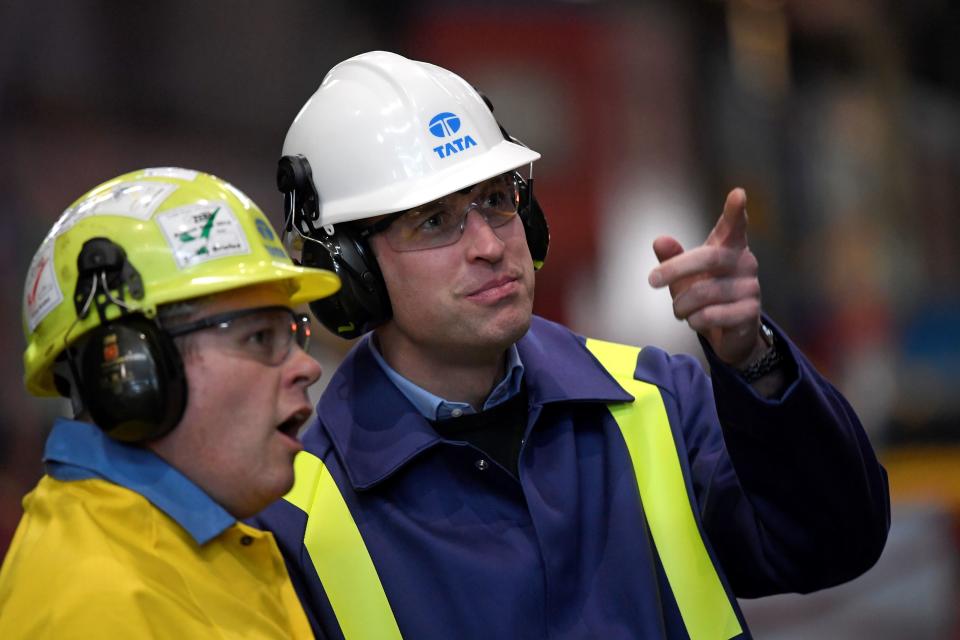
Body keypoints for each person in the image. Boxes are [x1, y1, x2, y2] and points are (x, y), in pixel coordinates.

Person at [255, 51, 890, 639]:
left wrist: (754, 360)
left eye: (498, 201)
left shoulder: (658, 402)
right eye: (435, 220)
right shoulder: (296, 513)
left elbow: (836, 543)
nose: (489, 244)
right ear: (349, 273)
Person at [0, 168, 341, 638]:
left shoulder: (194, 543)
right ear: (132, 372)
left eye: (294, 334)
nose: (307, 368)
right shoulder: (96, 605)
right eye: (260, 337)